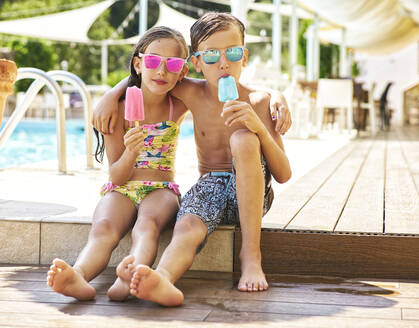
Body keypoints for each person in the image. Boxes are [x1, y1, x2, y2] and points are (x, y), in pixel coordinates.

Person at [94, 12, 291, 306]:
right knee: (186, 225)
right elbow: (153, 74)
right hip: (210, 183)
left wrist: (259, 126)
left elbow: (284, 173)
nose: (223, 63)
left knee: (243, 138)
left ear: (245, 57)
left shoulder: (260, 102)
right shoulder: (191, 91)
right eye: (211, 56)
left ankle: (251, 256)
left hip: (252, 195)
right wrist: (111, 94)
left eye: (233, 53)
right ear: (195, 64)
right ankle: (161, 279)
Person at [46, 26, 190, 302]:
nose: (161, 72)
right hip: (122, 186)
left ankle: (133, 274)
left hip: (161, 188)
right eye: (152, 61)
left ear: (182, 71)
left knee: (147, 225)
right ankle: (78, 275)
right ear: (138, 62)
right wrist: (130, 152)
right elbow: (117, 175)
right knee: (103, 228)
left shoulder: (178, 104)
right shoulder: (118, 110)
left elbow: (211, 90)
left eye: (172, 64)